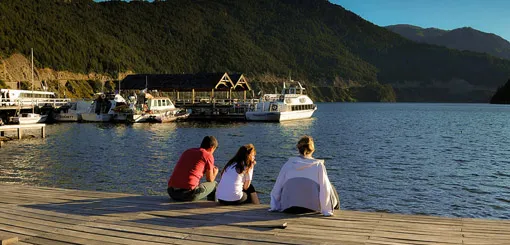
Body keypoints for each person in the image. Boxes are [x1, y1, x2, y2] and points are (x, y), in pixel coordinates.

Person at [269, 135, 339, 216]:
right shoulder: (318, 166)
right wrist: (326, 210)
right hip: (311, 208)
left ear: (298, 149)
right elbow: (325, 190)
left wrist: (274, 206)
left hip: (288, 208)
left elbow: (277, 188)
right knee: (331, 188)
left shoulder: (288, 164)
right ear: (312, 150)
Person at [167, 136, 219, 201]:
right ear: (212, 148)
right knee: (214, 184)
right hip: (187, 194)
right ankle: (210, 207)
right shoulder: (208, 155)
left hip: (171, 192)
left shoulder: (187, 151)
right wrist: (215, 172)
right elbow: (210, 179)